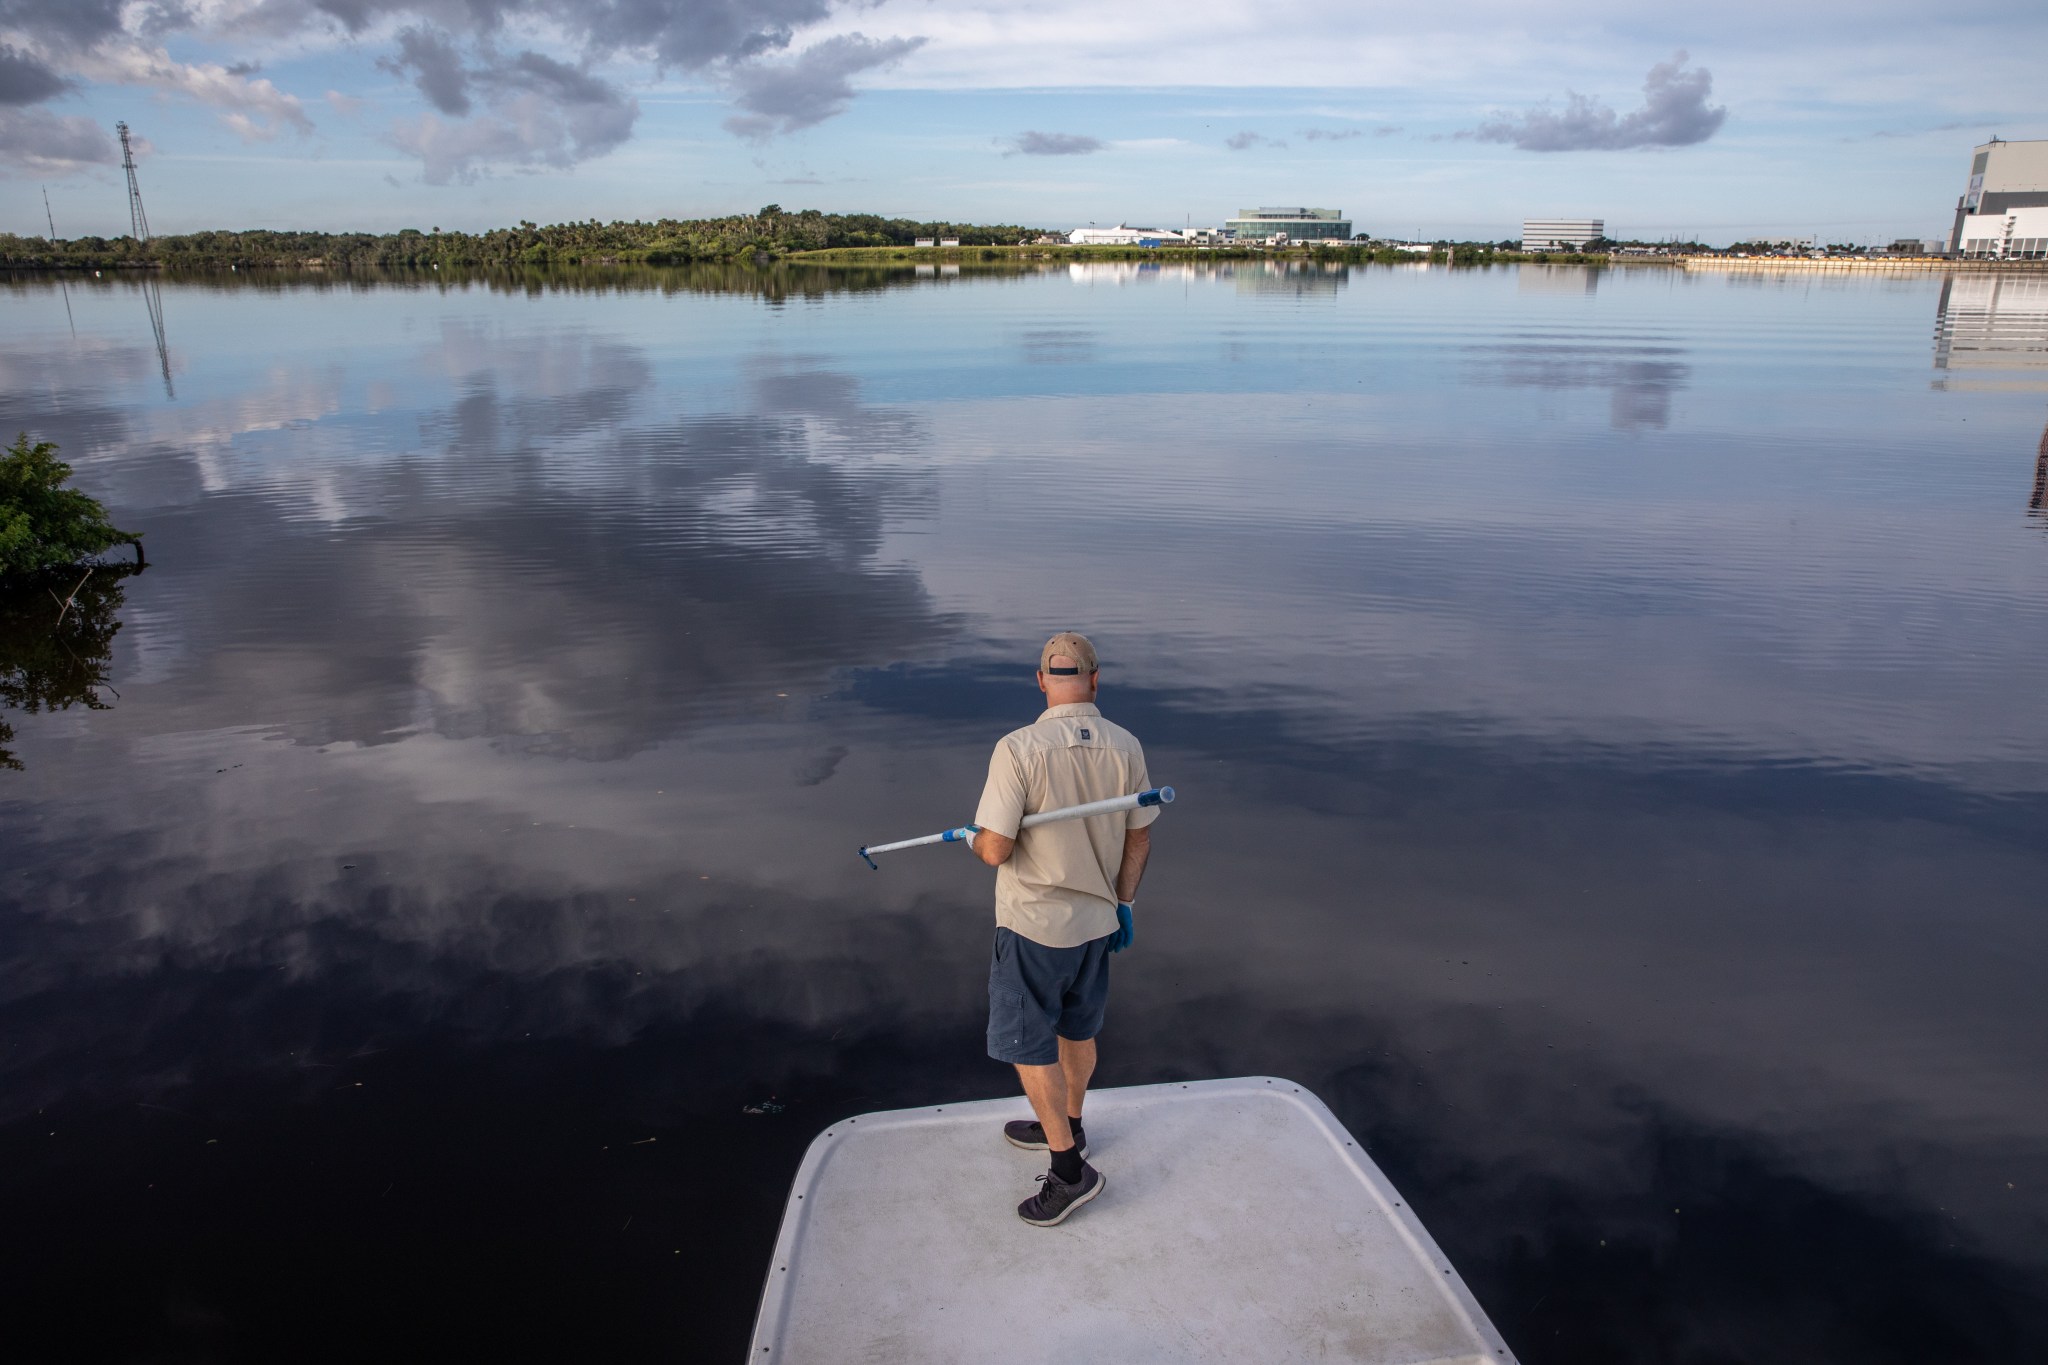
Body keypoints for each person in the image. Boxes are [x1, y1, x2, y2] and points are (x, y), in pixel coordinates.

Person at [970, 631, 1156, 1226]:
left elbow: (996, 849)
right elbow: (1139, 833)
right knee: (1078, 1029)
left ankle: (1069, 1170)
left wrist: (976, 839)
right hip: (1097, 922)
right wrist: (1123, 903)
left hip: (1034, 925)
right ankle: (1071, 1124)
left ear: (1042, 680)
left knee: (1030, 1047)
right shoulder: (1126, 746)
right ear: (1096, 680)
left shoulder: (1017, 748)